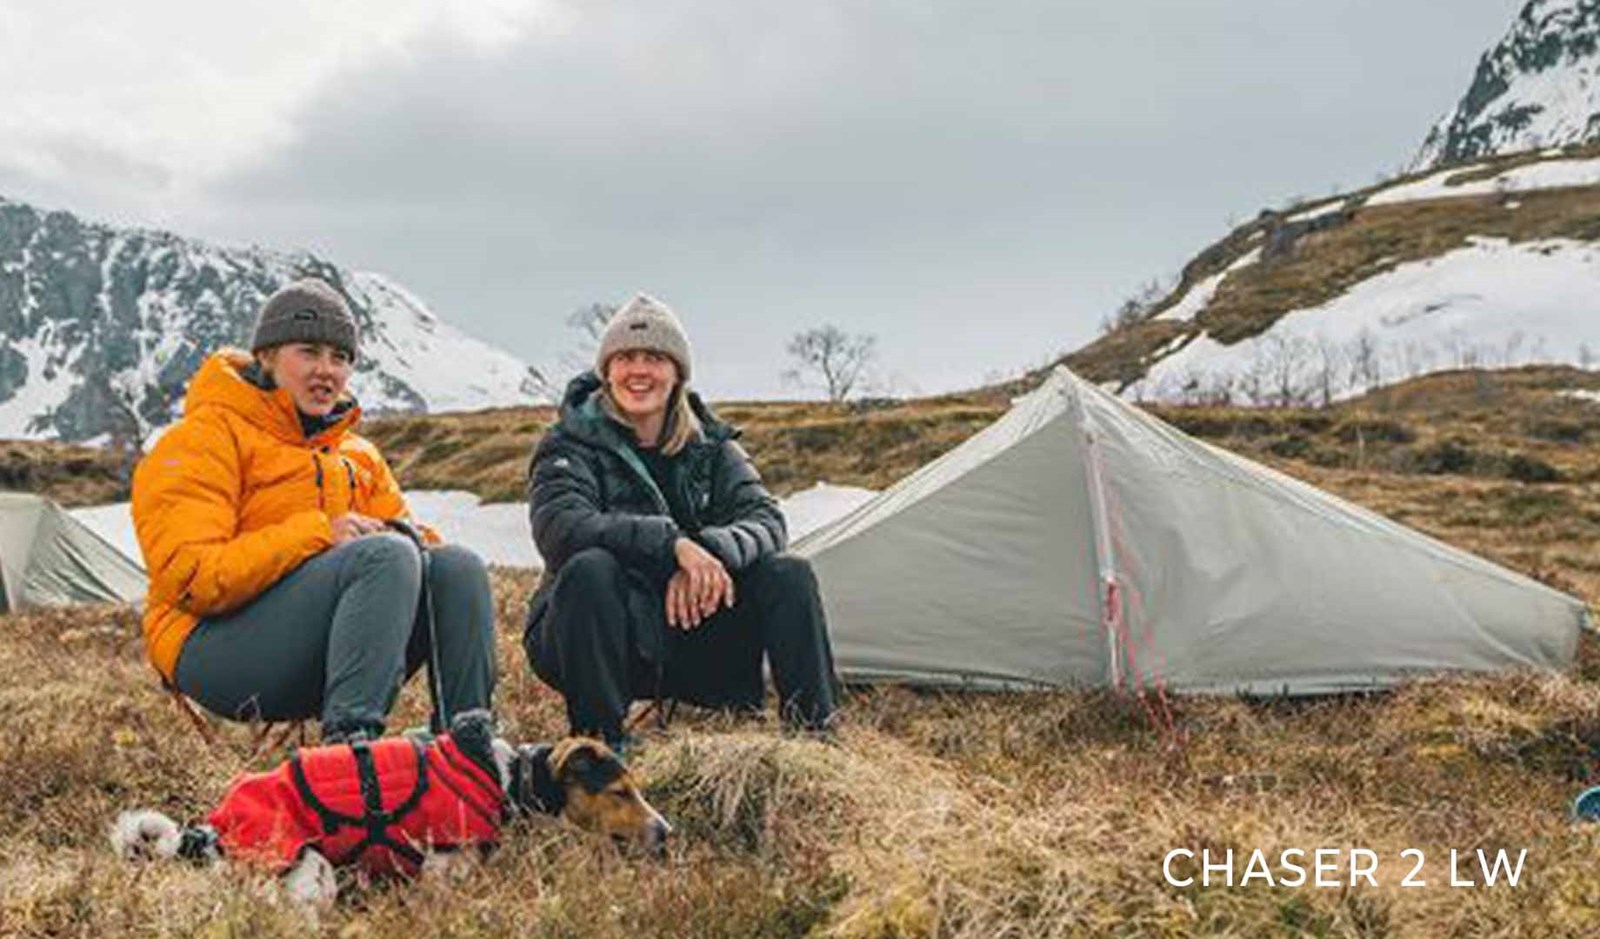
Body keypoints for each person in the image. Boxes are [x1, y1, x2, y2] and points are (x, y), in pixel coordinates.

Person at [131, 279, 496, 743]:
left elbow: (410, 542)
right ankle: (348, 755)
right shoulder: (203, 438)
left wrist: (404, 537)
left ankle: (468, 750)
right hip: (212, 648)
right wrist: (321, 533)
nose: (327, 370)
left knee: (455, 566)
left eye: (340, 358)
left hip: (317, 644)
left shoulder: (356, 454)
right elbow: (192, 578)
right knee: (383, 556)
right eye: (309, 351)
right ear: (265, 356)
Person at [523, 294, 837, 748]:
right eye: (626, 357)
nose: (639, 371)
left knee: (788, 573)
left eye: (654, 357)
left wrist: (707, 552)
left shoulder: (712, 444)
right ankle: (600, 752)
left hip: (692, 628)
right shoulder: (568, 443)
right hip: (596, 630)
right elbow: (560, 528)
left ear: (677, 373)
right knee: (590, 567)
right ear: (607, 371)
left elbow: (767, 521)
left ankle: (817, 743)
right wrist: (671, 545)